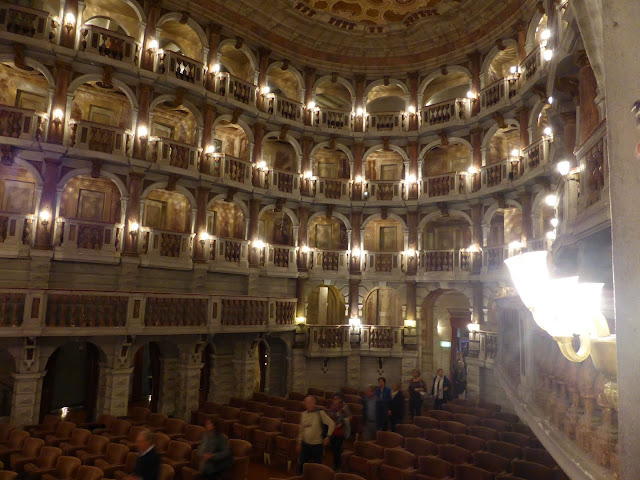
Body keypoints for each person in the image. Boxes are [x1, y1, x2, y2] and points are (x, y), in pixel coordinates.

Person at [297, 395, 335, 474]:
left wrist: (328, 436)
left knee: (317, 467)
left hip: (317, 445)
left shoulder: (320, 413)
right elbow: (301, 429)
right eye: (306, 403)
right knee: (301, 465)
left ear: (314, 403)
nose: (308, 404)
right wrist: (299, 442)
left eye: (310, 402)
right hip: (305, 444)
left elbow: (331, 424)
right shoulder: (303, 414)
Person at [327, 393, 351, 471]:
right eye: (334, 399)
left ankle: (339, 466)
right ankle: (335, 464)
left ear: (340, 399)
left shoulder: (344, 407)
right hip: (333, 430)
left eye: (336, 399)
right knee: (333, 449)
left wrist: (342, 423)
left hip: (341, 431)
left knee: (338, 449)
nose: (334, 400)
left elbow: (350, 417)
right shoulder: (332, 407)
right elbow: (329, 415)